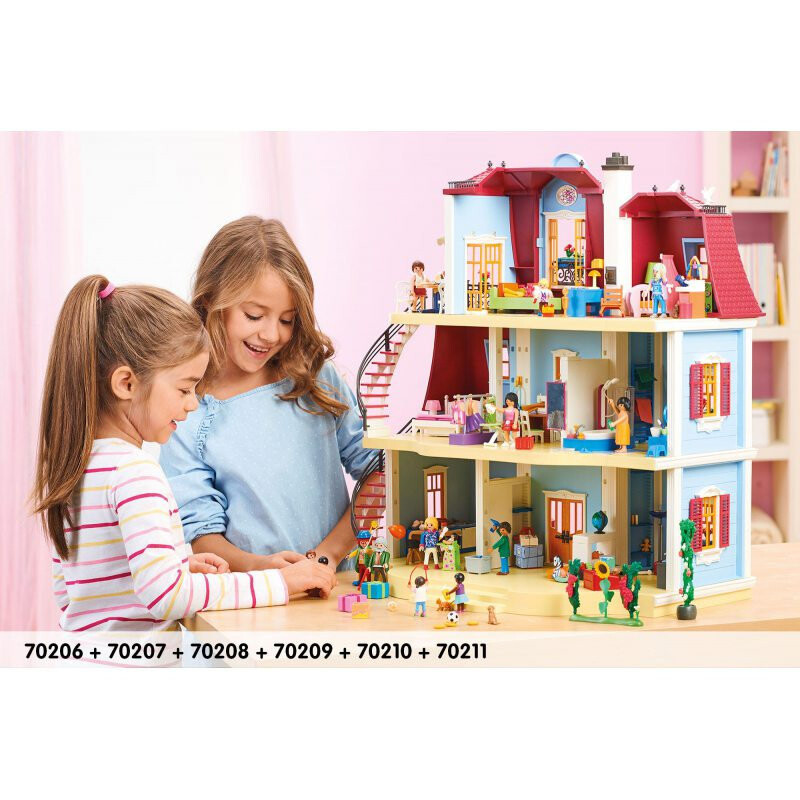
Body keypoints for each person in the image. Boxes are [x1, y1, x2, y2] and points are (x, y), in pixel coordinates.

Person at [32, 276, 336, 633]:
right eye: (184, 388)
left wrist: (175, 568)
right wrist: (280, 583)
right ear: (126, 384)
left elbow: (74, 593)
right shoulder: (134, 472)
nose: (193, 403)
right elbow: (166, 596)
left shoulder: (74, 469)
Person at [160, 217, 376, 574]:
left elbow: (379, 473)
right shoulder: (188, 409)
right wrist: (266, 570)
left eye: (287, 320)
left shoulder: (315, 379)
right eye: (255, 315)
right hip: (255, 598)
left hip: (338, 590)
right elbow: (203, 533)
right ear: (212, 301)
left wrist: (327, 555)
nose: (272, 335)